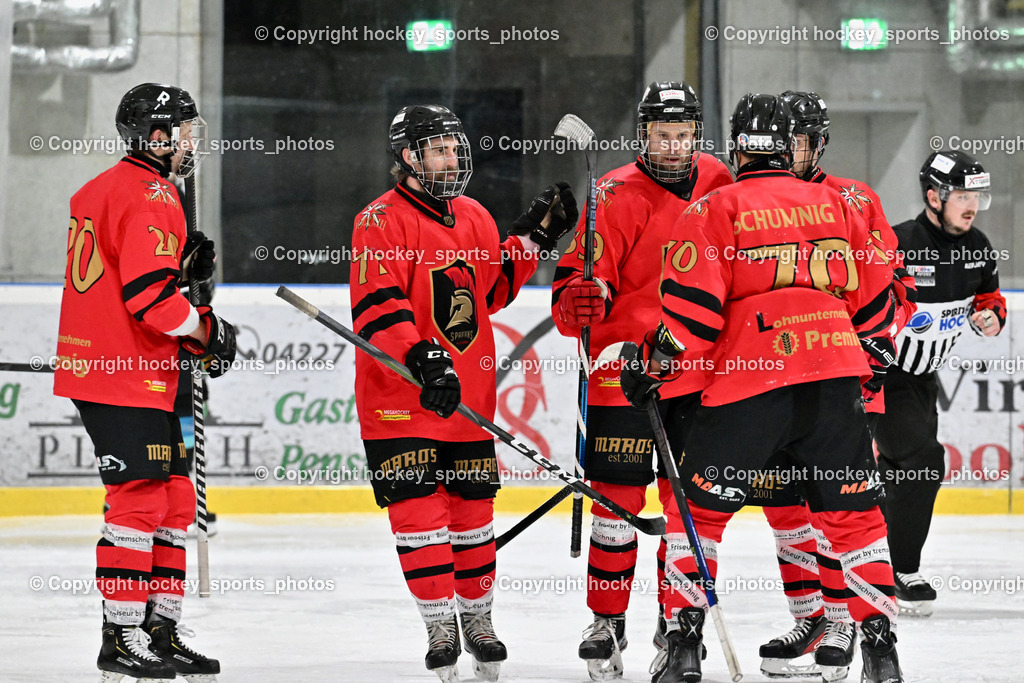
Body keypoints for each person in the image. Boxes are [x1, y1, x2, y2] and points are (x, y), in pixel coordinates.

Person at [621, 93, 903, 683]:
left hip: (750, 383)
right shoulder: (838, 203)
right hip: (832, 379)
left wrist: (650, 362)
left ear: (736, 147)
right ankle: (881, 651)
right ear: (787, 146)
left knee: (698, 517)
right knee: (855, 518)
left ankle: (683, 646)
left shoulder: (716, 207)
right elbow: (878, 299)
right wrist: (862, 350)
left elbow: (692, 319)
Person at [350, 104, 577, 682]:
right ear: (408, 157)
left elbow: (489, 292)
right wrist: (419, 357)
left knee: (473, 515)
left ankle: (478, 619)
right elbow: (377, 304)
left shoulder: (473, 214)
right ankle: (439, 625)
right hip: (401, 400)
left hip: (467, 398)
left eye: (455, 148)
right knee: (420, 515)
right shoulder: (378, 220)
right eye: (440, 150)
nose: (453, 159)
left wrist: (534, 239)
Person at [550, 81, 732, 680]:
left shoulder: (721, 183)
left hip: (696, 372)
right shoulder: (611, 193)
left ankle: (678, 624)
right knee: (615, 505)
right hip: (621, 371)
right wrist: (580, 298)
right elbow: (575, 288)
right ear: (643, 135)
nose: (673, 146)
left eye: (682, 134)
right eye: (661, 134)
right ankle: (607, 620)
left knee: (688, 507)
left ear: (697, 135)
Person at [54, 83, 235, 682]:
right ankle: (122, 634)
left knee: (174, 499)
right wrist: (207, 328)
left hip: (129, 369)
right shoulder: (155, 193)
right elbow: (151, 302)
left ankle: (160, 630)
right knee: (139, 500)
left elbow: (124, 272)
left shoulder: (104, 186)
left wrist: (182, 269)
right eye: (183, 131)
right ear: (156, 137)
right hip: (124, 370)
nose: (190, 143)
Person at [753, 90, 917, 681]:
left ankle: (847, 620)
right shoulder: (751, 198)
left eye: (799, 140)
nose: (789, 150)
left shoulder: (853, 198)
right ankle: (812, 619)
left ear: (818, 144)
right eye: (782, 139)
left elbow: (896, 285)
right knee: (783, 506)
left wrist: (874, 337)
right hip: (769, 379)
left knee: (837, 507)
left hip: (838, 379)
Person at [873, 150, 1006, 617]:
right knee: (923, 463)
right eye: (963, 197)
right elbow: (858, 300)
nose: (972, 207)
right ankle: (901, 570)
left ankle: (874, 563)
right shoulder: (898, 243)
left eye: (977, 198)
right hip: (882, 376)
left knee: (902, 471)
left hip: (923, 380)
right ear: (934, 197)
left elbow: (989, 296)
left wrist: (992, 316)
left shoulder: (978, 246)